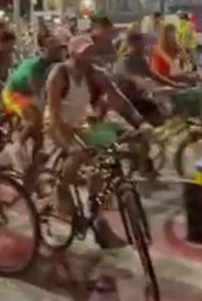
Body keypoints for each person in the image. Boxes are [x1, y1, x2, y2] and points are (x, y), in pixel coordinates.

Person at [45, 36, 145, 249]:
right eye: (83, 51)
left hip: (82, 124)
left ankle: (96, 213)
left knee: (106, 159)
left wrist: (139, 123)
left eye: (90, 51)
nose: (87, 55)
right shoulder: (59, 74)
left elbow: (117, 99)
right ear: (71, 53)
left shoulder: (96, 74)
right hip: (57, 124)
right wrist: (69, 144)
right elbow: (54, 115)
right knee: (78, 153)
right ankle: (62, 189)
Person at [2, 37, 67, 175]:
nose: (61, 53)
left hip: (28, 94)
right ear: (49, 52)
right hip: (14, 93)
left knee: (39, 135)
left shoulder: (58, 64)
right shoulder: (37, 65)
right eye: (57, 50)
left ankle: (33, 166)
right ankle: (16, 147)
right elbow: (37, 89)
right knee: (35, 120)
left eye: (62, 50)